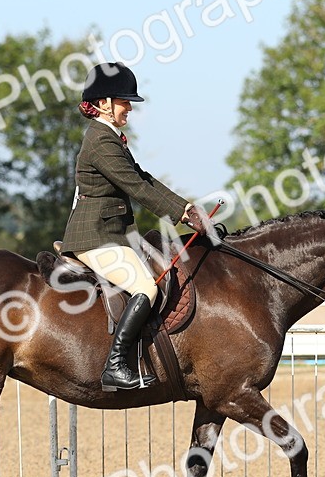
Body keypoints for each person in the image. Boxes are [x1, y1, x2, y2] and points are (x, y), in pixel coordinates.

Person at [60, 62, 211, 391]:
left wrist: (187, 208)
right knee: (147, 286)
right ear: (103, 104)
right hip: (96, 236)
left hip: (111, 234)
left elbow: (144, 179)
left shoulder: (110, 138)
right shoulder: (101, 141)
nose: (129, 107)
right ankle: (115, 366)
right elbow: (137, 189)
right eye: (123, 101)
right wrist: (183, 217)